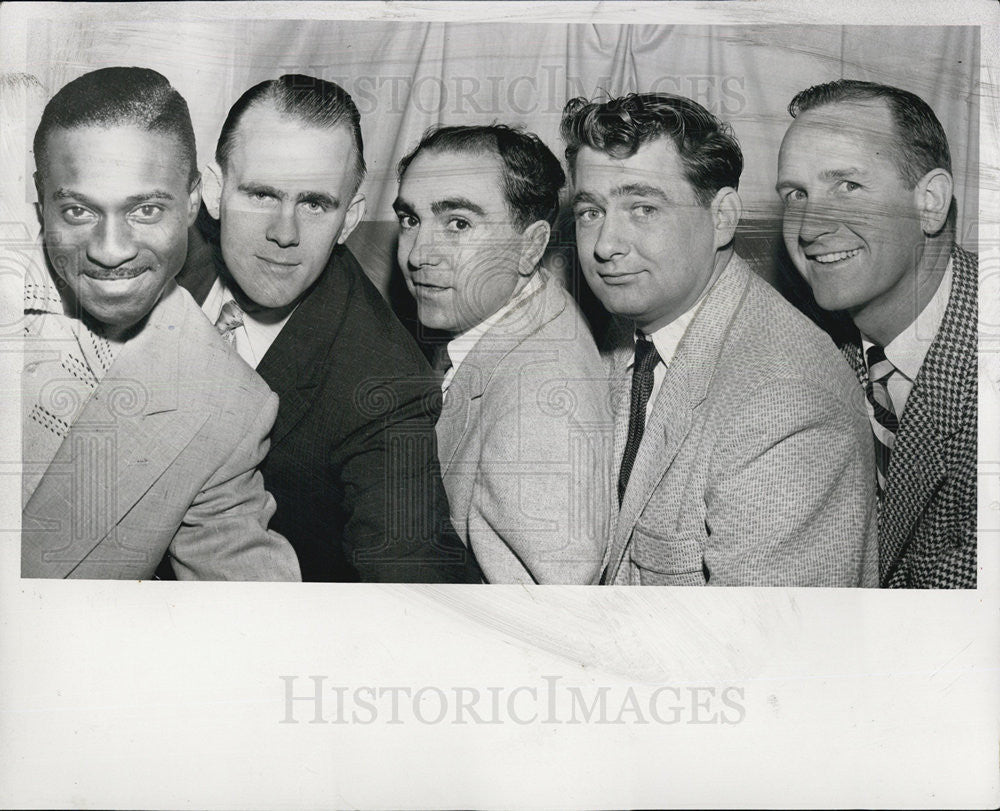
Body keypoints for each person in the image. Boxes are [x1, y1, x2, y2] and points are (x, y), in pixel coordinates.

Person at [560, 92, 878, 587]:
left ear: (722, 217)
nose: (605, 246)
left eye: (642, 208)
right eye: (590, 213)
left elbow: (762, 652)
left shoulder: (785, 405)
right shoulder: (630, 324)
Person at [176, 74, 480, 583]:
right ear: (212, 190)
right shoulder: (155, 260)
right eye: (260, 195)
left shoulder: (386, 384)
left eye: (315, 204)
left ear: (349, 220)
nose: (284, 233)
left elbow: (413, 571)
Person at [22, 66, 300, 580]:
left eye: (146, 210)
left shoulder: (228, 404)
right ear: (41, 200)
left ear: (194, 201)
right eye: (78, 211)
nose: (111, 251)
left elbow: (250, 603)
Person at [776, 79, 977, 588]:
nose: (808, 227)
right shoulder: (806, 349)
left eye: (848, 186)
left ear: (930, 201)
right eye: (796, 194)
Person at [393, 125, 612, 584]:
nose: (418, 255)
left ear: (531, 246)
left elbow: (551, 614)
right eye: (411, 220)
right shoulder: (507, 315)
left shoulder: (538, 405)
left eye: (458, 223)